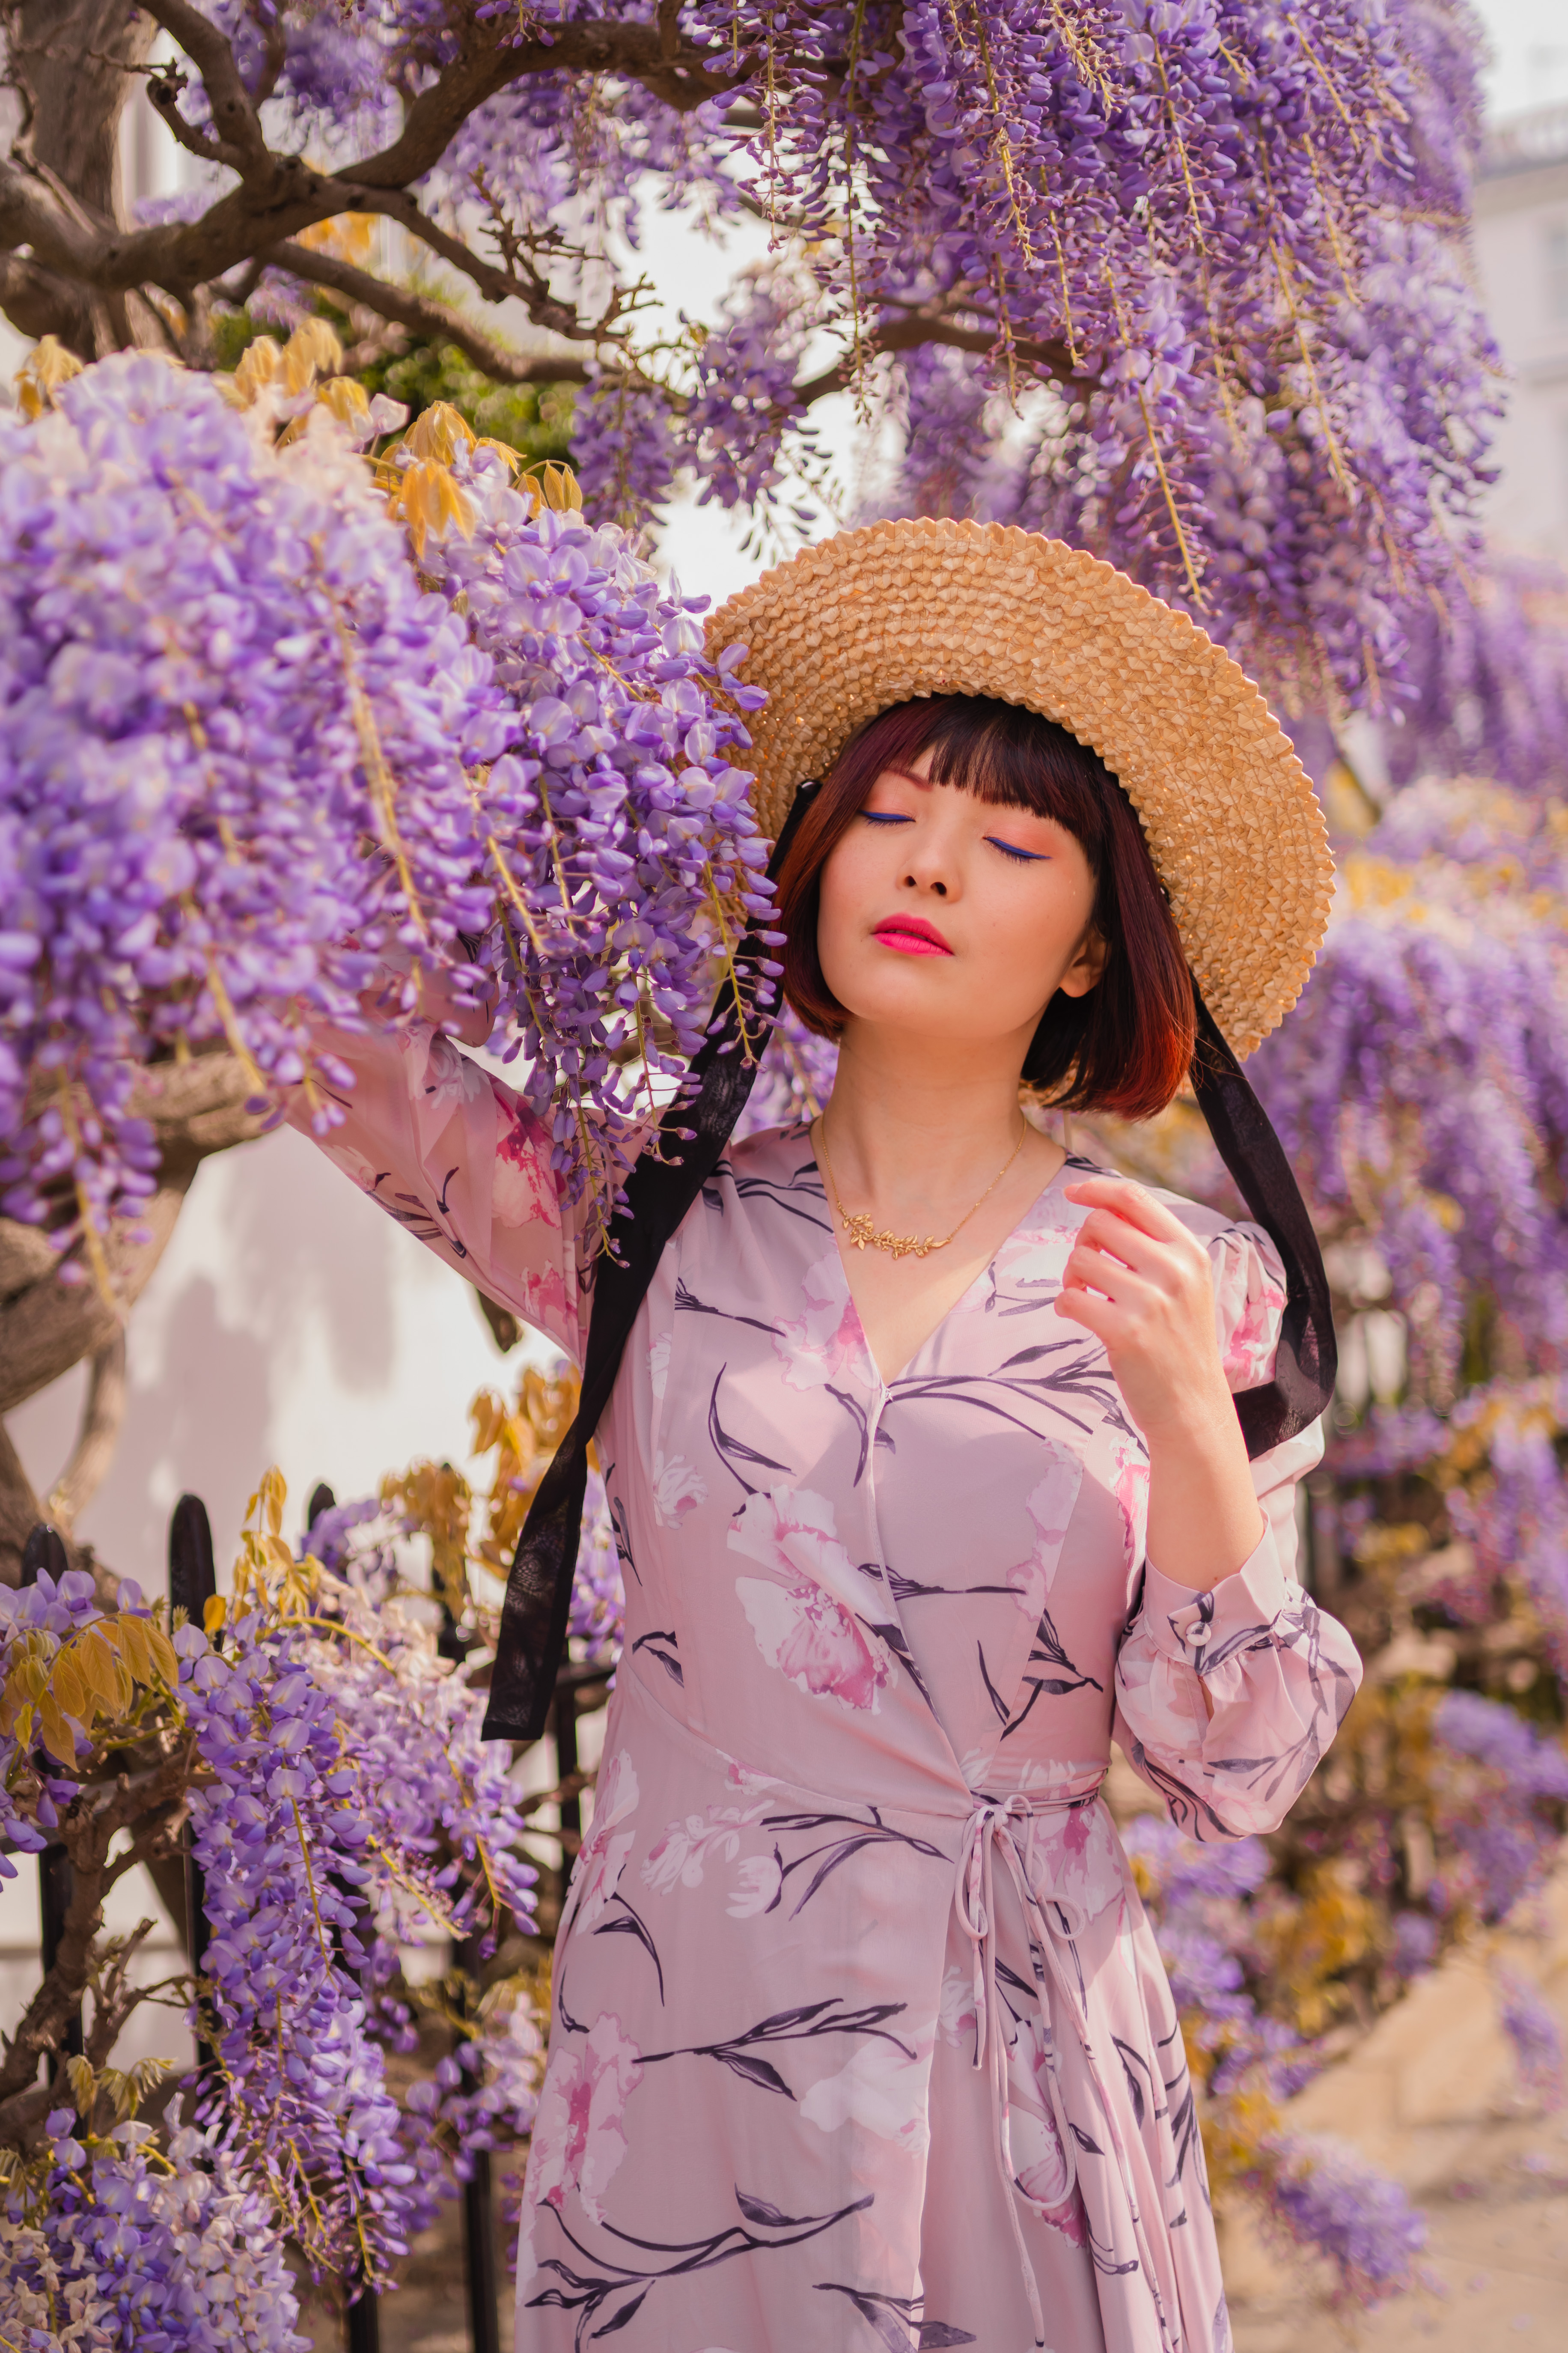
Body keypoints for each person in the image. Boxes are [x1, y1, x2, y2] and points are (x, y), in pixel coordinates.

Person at [291, 519, 1361, 2353]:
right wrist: (335, 634)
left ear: (1096, 945)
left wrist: (1194, 1432)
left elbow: (1236, 1773)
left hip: (1012, 2059)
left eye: (1012, 843)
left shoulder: (1191, 1281)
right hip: (688, 2026)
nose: (933, 863)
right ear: (806, 863)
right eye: (888, 816)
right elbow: (331, 1019)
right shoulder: (645, 1220)